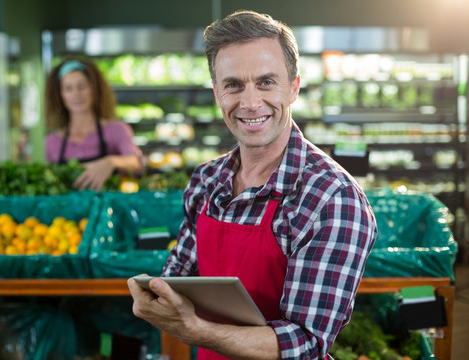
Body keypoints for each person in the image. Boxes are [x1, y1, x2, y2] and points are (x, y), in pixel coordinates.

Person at [128, 10, 377, 360]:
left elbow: (306, 345)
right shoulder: (206, 181)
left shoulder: (332, 198)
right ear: (217, 93)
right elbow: (179, 276)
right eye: (233, 85)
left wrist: (195, 330)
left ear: (293, 88)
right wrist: (157, 295)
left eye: (265, 82)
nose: (249, 102)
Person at [44, 57, 143, 191]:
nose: (76, 94)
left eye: (82, 86)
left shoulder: (117, 130)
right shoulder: (52, 143)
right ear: (60, 95)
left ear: (94, 89)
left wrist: (111, 162)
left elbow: (137, 163)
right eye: (68, 89)